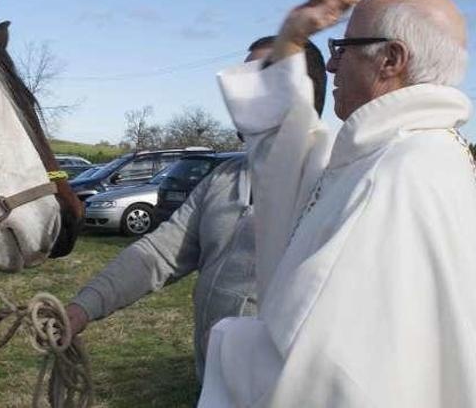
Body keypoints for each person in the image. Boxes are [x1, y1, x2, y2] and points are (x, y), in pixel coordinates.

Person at [198, 0, 476, 407]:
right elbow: (291, 159)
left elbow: (326, 374)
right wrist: (292, 38)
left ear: (390, 60)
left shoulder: (397, 174)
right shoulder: (417, 153)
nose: (331, 67)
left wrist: (227, 342)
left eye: (342, 49)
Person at [64, 36, 328, 385]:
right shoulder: (224, 176)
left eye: (256, 76)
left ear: (298, 91)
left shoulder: (334, 182)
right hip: (215, 388)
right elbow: (157, 255)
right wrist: (81, 308)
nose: (238, 88)